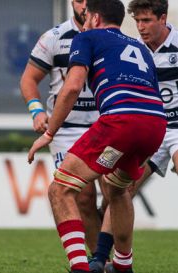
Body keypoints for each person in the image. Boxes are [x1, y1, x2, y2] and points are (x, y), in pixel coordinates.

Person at [27, 0, 167, 272]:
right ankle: (123, 265)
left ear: (93, 17)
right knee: (117, 190)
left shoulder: (86, 37)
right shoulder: (139, 46)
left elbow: (72, 87)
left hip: (120, 122)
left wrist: (49, 133)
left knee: (60, 189)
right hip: (154, 125)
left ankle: (80, 267)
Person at [89, 1, 178, 272]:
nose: (141, 27)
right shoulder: (135, 50)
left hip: (175, 129)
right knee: (119, 189)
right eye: (137, 21)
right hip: (148, 126)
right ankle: (101, 259)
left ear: (163, 18)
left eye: (147, 20)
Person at [20, 0, 102, 254]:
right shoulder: (54, 37)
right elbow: (29, 79)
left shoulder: (111, 37)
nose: (84, 5)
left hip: (106, 125)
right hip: (65, 129)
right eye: (79, 0)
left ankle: (111, 250)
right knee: (84, 197)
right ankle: (102, 260)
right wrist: (36, 111)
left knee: (117, 193)